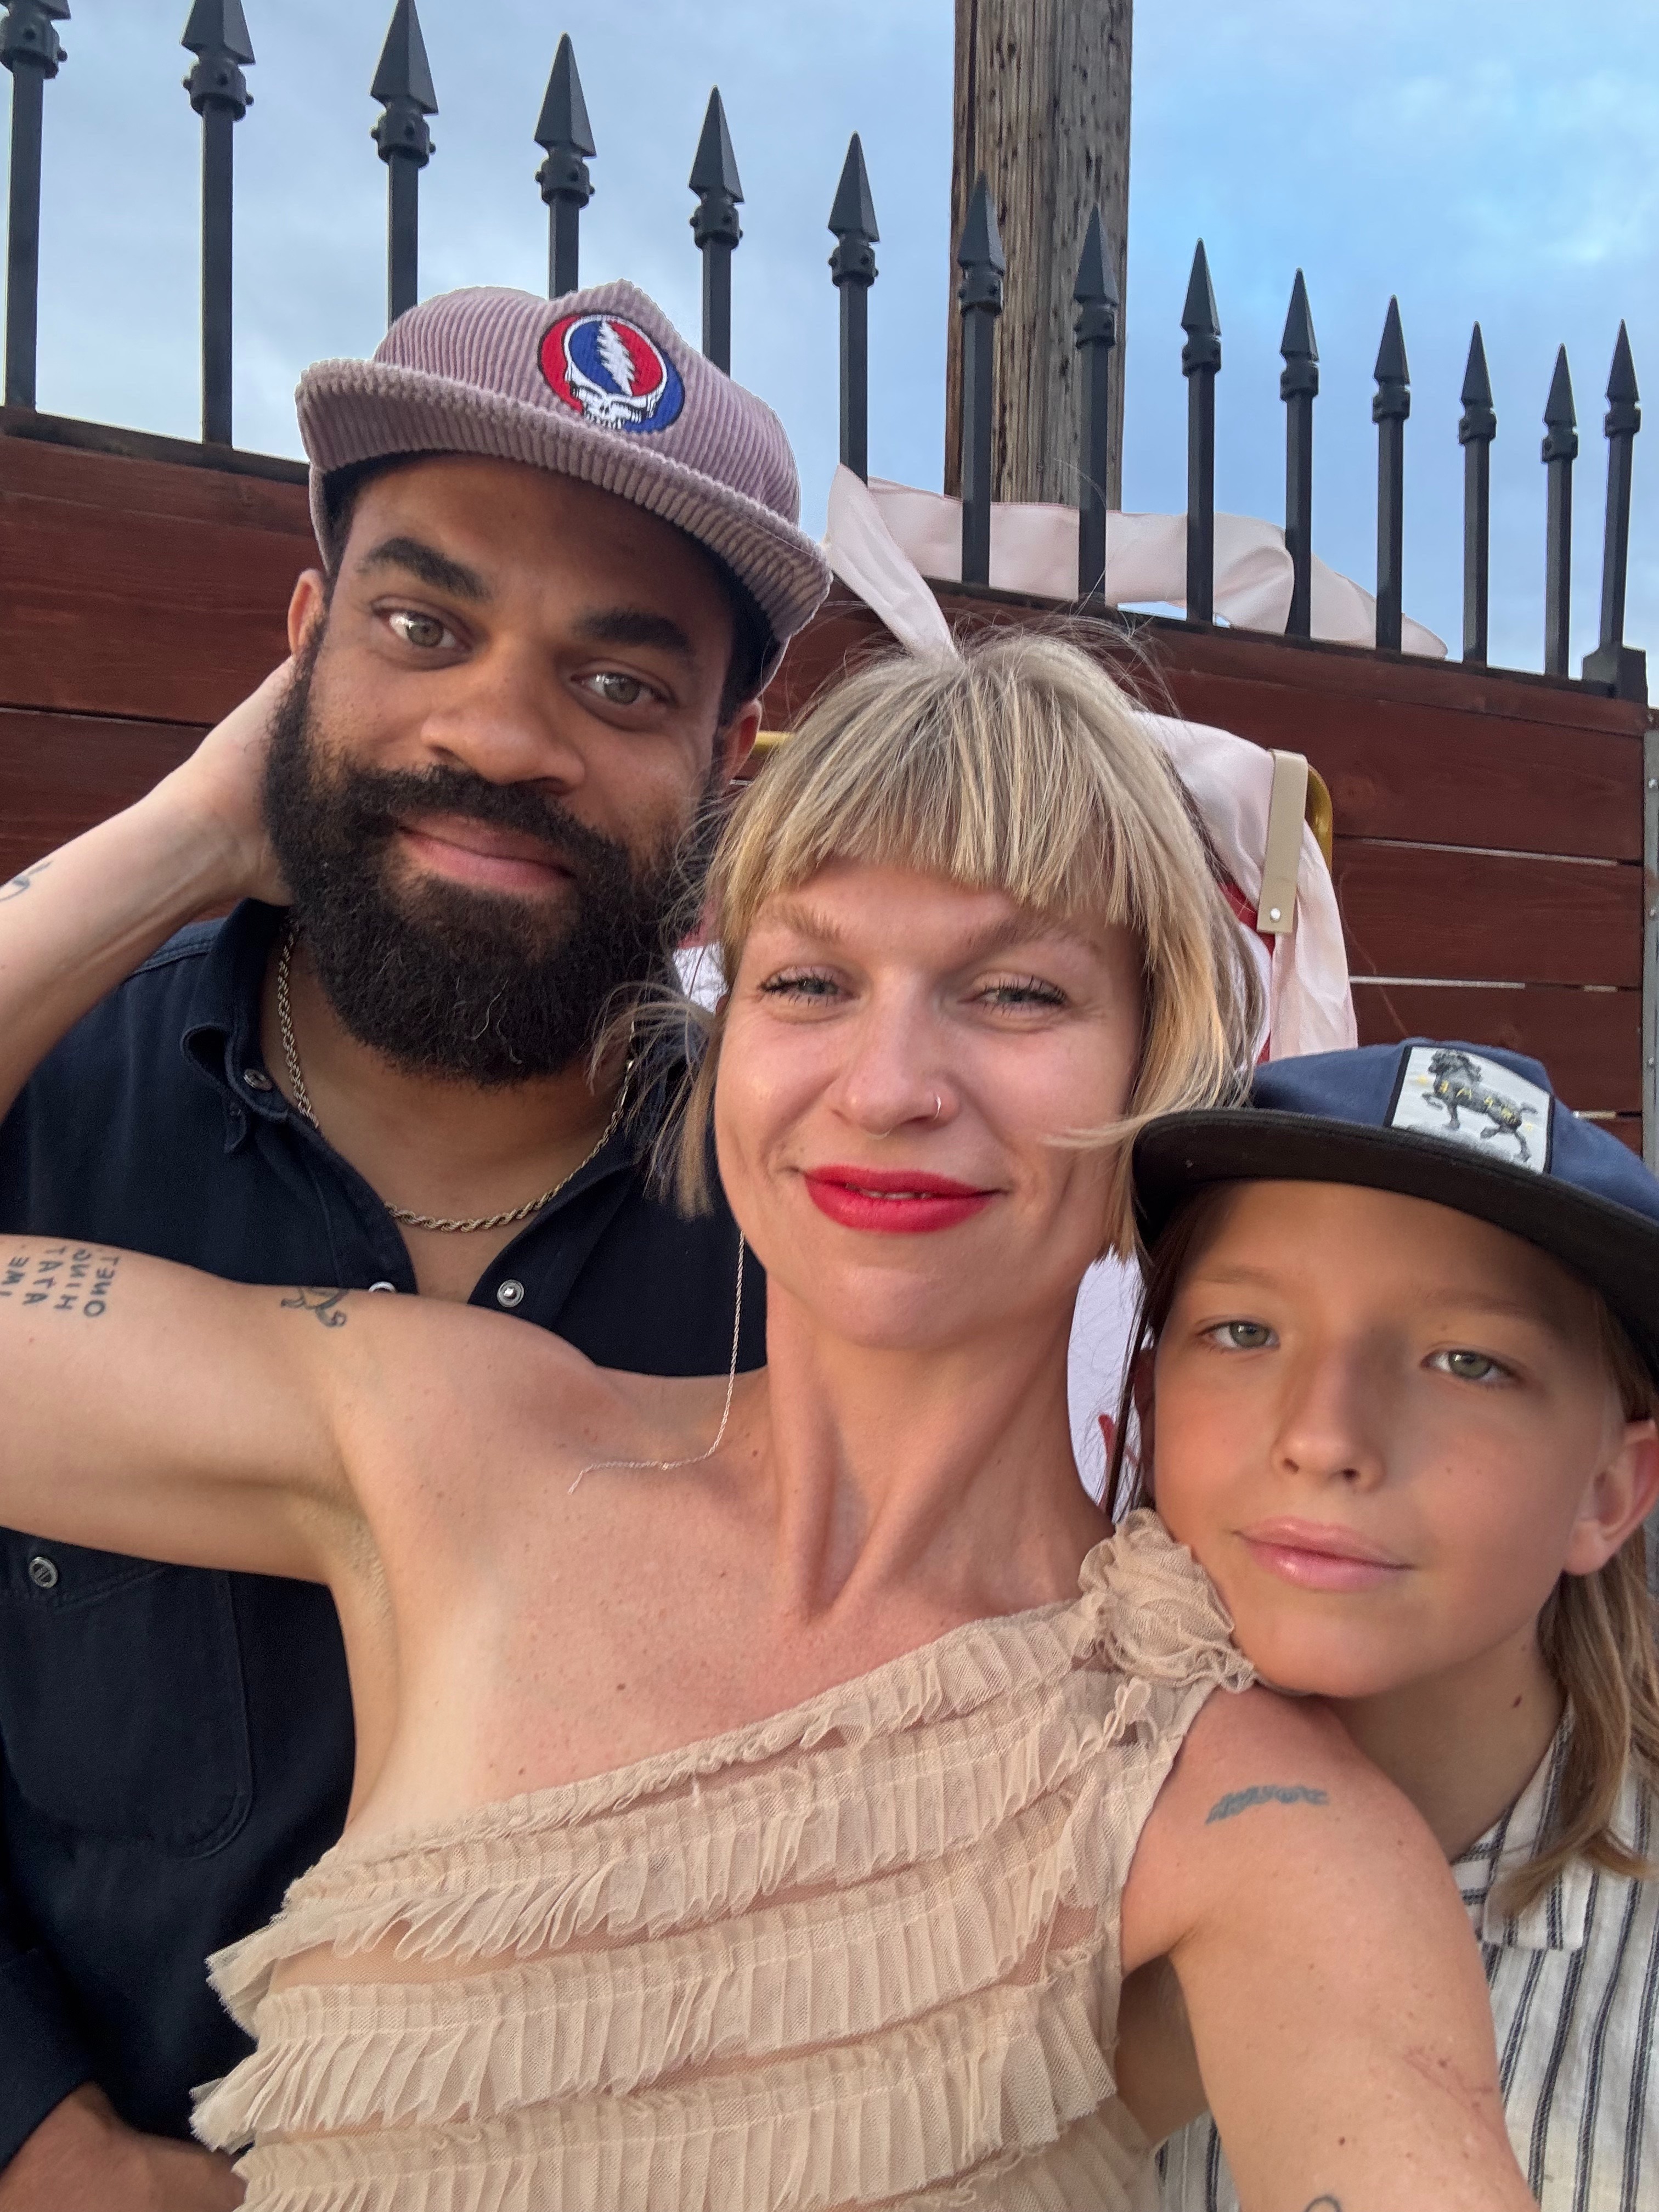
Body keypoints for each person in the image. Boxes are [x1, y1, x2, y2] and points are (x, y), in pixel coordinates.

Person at [0, 636, 1531, 2209]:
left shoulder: (1232, 1805)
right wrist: (189, 831)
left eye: (1017, 992)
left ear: (1163, 1069)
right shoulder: (449, 1445)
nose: (887, 1085)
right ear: (720, 1048)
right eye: (808, 983)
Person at [0, 279, 830, 2210]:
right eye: (421, 628)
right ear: (297, 646)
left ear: (730, 755)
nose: (499, 734)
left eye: (620, 686)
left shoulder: (817, 1226)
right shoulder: (53, 1099)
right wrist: (40, 2144)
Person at [1104, 1041, 1659, 2209]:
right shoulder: (985, 1826)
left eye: (1469, 1362)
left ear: (1610, 1493)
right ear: (1150, 1409)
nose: (1326, 1437)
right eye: (1245, 1332)